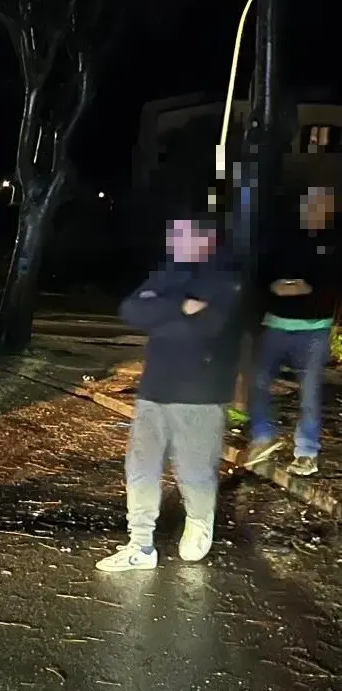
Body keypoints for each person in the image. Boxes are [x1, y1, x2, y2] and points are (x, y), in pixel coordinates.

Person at [96, 213, 242, 572]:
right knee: (141, 467)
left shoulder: (225, 276)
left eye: (182, 234)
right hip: (154, 388)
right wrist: (180, 306)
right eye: (173, 234)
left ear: (206, 238)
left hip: (200, 392)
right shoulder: (167, 273)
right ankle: (140, 545)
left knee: (194, 469)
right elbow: (131, 309)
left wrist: (158, 306)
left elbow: (212, 324)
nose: (174, 241)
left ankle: (199, 519)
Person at [246, 185, 338, 476]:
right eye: (309, 204)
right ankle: (263, 437)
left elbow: (330, 284)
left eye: (320, 205)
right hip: (276, 324)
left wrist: (307, 289)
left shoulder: (333, 243)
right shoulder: (284, 240)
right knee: (258, 380)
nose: (313, 211)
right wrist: (274, 288)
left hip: (314, 329)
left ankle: (307, 452)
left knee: (309, 393)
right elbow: (263, 275)